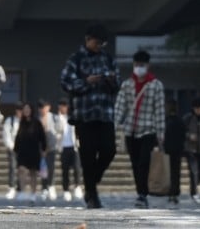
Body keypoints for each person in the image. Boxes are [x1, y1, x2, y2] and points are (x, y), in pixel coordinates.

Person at [59, 23, 119, 209]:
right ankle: (92, 195)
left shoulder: (108, 59)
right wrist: (86, 82)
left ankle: (93, 178)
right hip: (84, 115)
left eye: (102, 43)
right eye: (96, 42)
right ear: (87, 40)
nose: (99, 46)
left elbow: (118, 83)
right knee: (87, 155)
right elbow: (65, 82)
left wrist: (110, 80)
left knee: (109, 150)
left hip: (105, 114)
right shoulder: (76, 59)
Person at [113, 50, 165, 209]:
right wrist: (113, 126)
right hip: (130, 130)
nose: (138, 68)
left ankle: (143, 194)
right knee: (135, 163)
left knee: (144, 162)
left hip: (148, 130)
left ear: (147, 66)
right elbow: (120, 108)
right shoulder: (127, 85)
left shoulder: (156, 85)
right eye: (136, 65)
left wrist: (161, 133)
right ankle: (140, 192)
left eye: (141, 65)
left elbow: (159, 110)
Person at [14, 101, 46, 205]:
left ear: (31, 111)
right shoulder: (21, 122)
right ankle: (22, 191)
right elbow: (18, 137)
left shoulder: (37, 122)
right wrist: (16, 148)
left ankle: (33, 193)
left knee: (33, 173)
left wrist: (44, 149)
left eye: (28, 109)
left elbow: (42, 137)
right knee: (21, 170)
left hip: (34, 151)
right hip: (23, 151)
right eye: (25, 109)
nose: (26, 111)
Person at [55, 98, 83, 202]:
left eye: (64, 106)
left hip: (74, 147)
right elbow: (57, 129)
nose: (62, 108)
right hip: (64, 147)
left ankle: (77, 187)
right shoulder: (59, 118)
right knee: (65, 170)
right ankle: (66, 190)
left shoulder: (73, 117)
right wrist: (60, 117)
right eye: (61, 106)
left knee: (77, 168)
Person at [163, 98, 186, 207]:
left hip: (168, 149)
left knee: (169, 171)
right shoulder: (180, 121)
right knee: (176, 172)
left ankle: (170, 191)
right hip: (178, 150)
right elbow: (183, 136)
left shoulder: (166, 121)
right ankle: (175, 191)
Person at [37, 99, 58, 200]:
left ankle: (51, 186)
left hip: (52, 148)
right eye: (40, 107)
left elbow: (58, 132)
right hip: (41, 150)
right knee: (43, 169)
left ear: (48, 107)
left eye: (44, 107)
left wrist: (50, 147)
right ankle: (44, 188)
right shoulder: (37, 119)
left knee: (51, 167)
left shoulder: (54, 118)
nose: (42, 109)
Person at [1, 102, 21, 200]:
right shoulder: (10, 120)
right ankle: (12, 187)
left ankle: (21, 189)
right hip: (13, 148)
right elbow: (6, 134)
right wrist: (11, 146)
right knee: (13, 168)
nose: (20, 112)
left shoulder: (27, 121)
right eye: (19, 110)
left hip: (24, 149)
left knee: (23, 169)